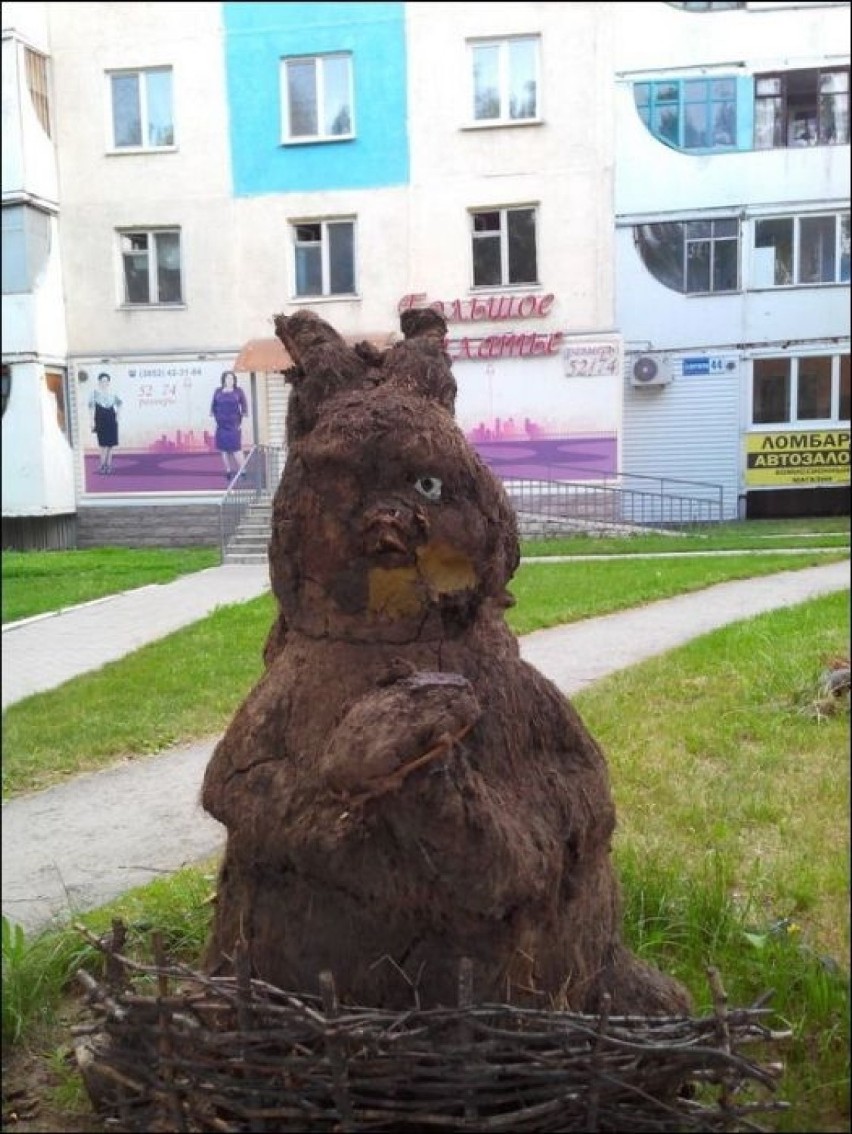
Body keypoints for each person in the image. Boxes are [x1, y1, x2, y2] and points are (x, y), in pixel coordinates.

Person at [210, 370, 249, 480]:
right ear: (224, 380)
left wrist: (242, 424)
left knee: (237, 449)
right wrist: (215, 422)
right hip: (221, 425)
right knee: (223, 449)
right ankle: (228, 471)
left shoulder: (238, 391)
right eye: (228, 378)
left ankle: (243, 471)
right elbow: (213, 407)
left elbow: (244, 407)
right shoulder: (218, 391)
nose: (230, 380)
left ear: (234, 380)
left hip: (234, 425)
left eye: (232, 378)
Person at [89, 372, 122, 474]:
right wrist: (91, 421)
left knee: (110, 445)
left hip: (111, 418)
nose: (104, 382)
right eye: (102, 381)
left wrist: (118, 415)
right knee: (102, 445)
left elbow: (120, 403)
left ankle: (108, 466)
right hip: (100, 418)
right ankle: (102, 465)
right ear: (99, 382)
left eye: (106, 381)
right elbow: (90, 407)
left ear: (108, 382)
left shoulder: (113, 393)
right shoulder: (94, 393)